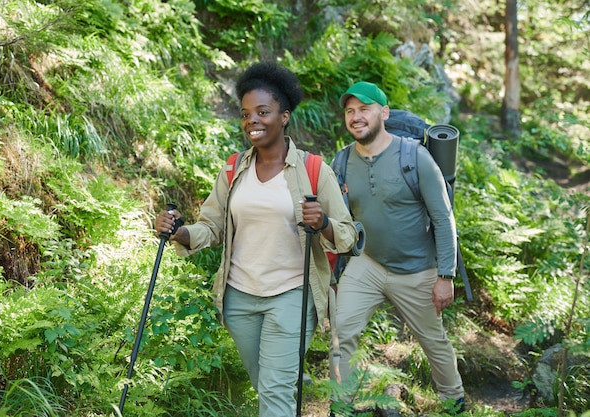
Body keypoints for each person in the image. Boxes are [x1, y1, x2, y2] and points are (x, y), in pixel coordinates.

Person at [155, 61, 358, 417]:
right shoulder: (234, 169)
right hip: (239, 299)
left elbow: (347, 236)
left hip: (293, 296)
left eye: (263, 112)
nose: (253, 121)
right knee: (267, 387)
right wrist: (179, 232)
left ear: (284, 116)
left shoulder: (313, 170)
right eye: (246, 114)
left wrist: (323, 222)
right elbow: (211, 227)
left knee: (276, 394)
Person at [331, 81, 465, 414]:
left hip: (417, 270)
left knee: (434, 343)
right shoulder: (343, 160)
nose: (356, 117)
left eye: (365, 109)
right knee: (340, 335)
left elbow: (444, 218)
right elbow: (337, 221)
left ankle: (454, 402)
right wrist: (332, 271)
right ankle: (340, 407)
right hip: (369, 264)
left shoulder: (415, 157)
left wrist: (445, 275)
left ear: (384, 113)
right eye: (350, 111)